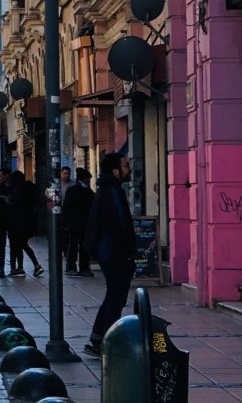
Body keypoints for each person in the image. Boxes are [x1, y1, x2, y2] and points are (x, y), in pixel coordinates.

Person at [83, 153, 136, 358]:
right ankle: (106, 341)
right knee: (116, 298)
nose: (129, 169)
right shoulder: (112, 190)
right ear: (115, 171)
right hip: (115, 254)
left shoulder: (106, 189)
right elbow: (119, 225)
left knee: (113, 297)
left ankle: (97, 339)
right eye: (125, 166)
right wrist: (127, 253)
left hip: (110, 252)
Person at [6, 170, 43, 277]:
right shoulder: (29, 188)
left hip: (16, 222)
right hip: (27, 222)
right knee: (22, 245)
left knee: (16, 245)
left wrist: (8, 202)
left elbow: (15, 205)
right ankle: (24, 267)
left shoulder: (17, 190)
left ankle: (21, 267)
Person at [63, 168, 95, 277]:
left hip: (79, 224)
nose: (89, 182)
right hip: (78, 224)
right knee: (77, 246)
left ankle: (76, 267)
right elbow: (66, 207)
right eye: (88, 180)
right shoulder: (85, 192)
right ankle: (79, 268)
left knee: (78, 246)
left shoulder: (80, 191)